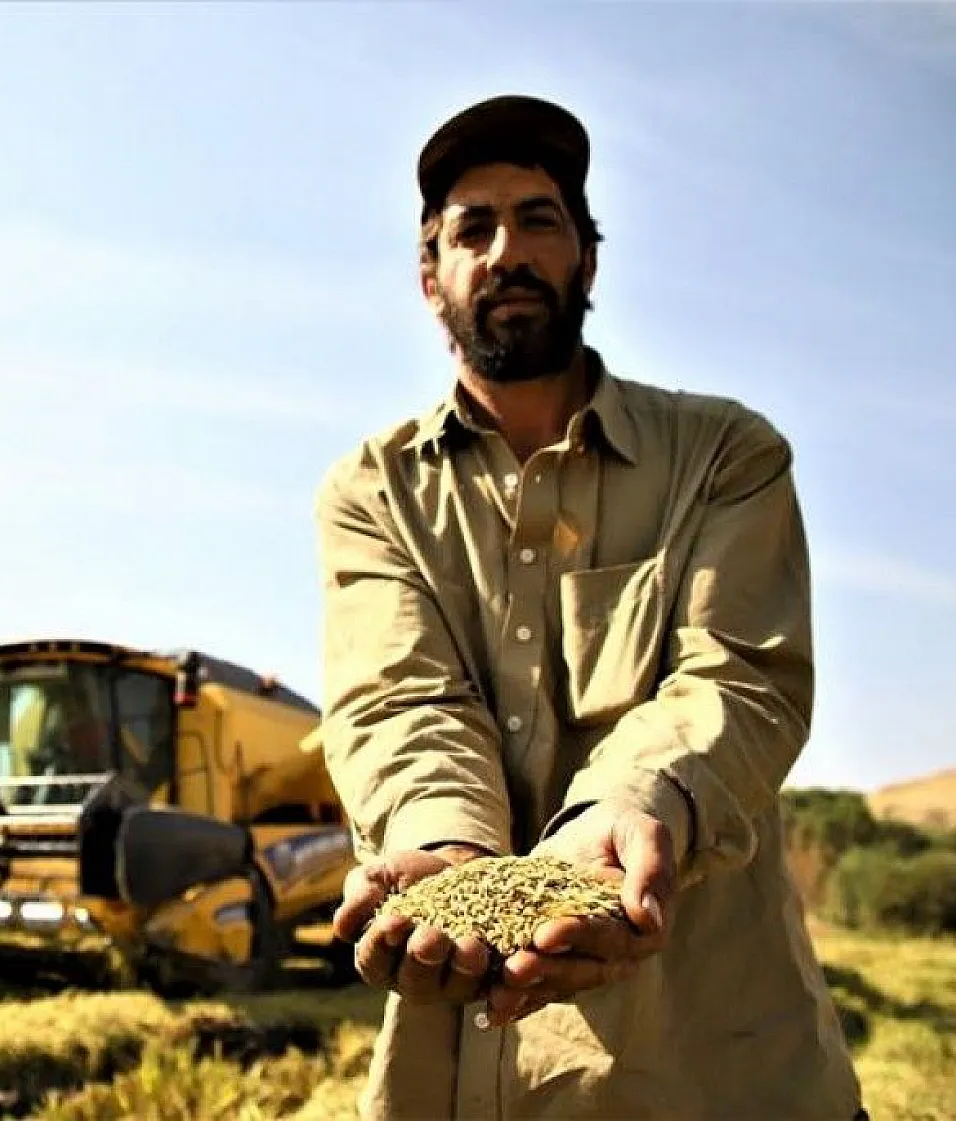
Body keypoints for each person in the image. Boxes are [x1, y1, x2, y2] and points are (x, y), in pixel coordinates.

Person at [312, 94, 866, 1119]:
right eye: (471, 229)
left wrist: (627, 810)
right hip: (458, 1075)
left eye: (539, 219)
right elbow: (399, 700)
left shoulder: (723, 456)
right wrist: (445, 844)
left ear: (587, 263)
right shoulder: (371, 491)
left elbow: (735, 675)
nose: (506, 248)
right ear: (429, 278)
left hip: (712, 1067)